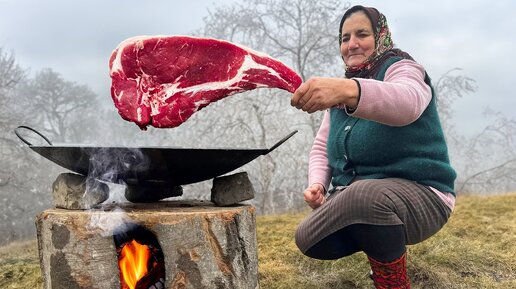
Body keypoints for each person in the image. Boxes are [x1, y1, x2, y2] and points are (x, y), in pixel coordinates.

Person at [290, 5, 456, 289]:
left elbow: (408, 102)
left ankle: (393, 283)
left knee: (363, 196)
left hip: (425, 197)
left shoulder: (402, 68)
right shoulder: (341, 92)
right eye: (345, 38)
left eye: (361, 34)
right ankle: (384, 257)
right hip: (365, 198)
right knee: (307, 237)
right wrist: (317, 184)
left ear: (380, 36)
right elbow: (321, 147)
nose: (351, 44)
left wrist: (349, 89)